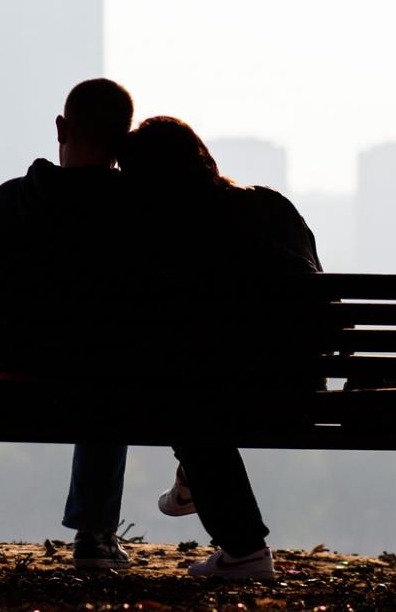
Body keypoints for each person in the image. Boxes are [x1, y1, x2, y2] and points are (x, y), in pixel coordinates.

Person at [116, 116, 322, 579]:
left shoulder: (172, 237)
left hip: (225, 394)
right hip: (303, 383)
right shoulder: (270, 204)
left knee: (184, 393)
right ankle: (193, 478)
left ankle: (245, 548)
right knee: (196, 386)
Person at [0, 77, 137, 570]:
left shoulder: (4, 203)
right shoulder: (138, 209)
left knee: (102, 372)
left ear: (61, 127)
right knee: (108, 372)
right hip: (107, 392)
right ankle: (94, 532)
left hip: (14, 386)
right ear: (121, 143)